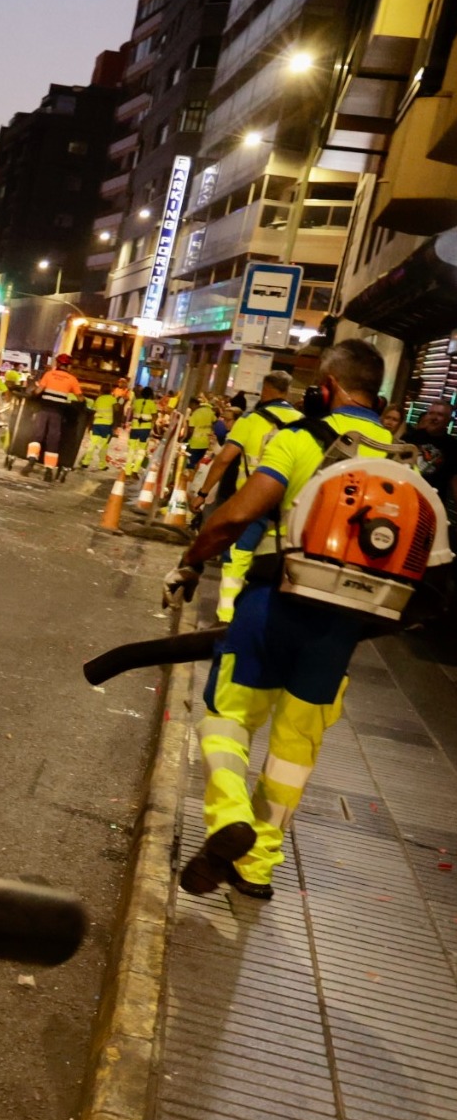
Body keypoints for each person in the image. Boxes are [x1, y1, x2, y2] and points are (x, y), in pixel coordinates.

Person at [167, 340, 396, 902]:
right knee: (295, 751)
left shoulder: (300, 438)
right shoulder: (406, 462)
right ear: (380, 396)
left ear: (328, 388)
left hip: (275, 608)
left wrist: (192, 563)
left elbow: (237, 515)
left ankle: (229, 819)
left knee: (226, 718)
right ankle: (259, 868)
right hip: (340, 632)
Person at [191, 371, 301, 623]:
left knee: (237, 560)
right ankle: (259, 618)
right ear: (287, 391)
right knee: (272, 565)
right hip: (284, 509)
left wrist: (203, 493)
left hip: (250, 504)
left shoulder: (251, 420)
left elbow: (224, 459)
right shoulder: (302, 423)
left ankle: (226, 616)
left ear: (265, 390)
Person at [25, 355, 82, 463]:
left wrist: (31, 394)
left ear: (58, 364)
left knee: (38, 434)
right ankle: (49, 469)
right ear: (68, 366)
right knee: (53, 438)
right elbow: (80, 398)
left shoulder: (49, 374)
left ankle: (32, 458)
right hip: (58, 413)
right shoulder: (72, 379)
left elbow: (37, 391)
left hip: (44, 410)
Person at [403, 400, 456, 501]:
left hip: (432, 503)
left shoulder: (453, 446)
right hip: (405, 494)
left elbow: (455, 481)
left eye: (440, 414)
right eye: (431, 413)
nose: (434, 418)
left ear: (448, 420)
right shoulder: (410, 438)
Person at [83, 379, 126, 471]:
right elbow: (117, 409)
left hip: (97, 424)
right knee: (104, 445)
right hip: (106, 425)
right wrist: (120, 402)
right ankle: (102, 465)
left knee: (92, 444)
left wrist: (90, 425)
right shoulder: (112, 399)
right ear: (110, 390)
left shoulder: (98, 399)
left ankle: (85, 462)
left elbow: (93, 412)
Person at [182, 396, 218, 486]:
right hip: (205, 443)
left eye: (190, 406)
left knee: (189, 465)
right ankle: (193, 483)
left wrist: (185, 439)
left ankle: (186, 485)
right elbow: (215, 421)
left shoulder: (195, 414)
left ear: (193, 404)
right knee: (197, 465)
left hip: (194, 443)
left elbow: (191, 430)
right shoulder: (209, 411)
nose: (190, 408)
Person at [124, 390, 161, 476]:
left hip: (135, 427)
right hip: (145, 429)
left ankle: (127, 470)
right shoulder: (152, 404)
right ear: (151, 395)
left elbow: (131, 412)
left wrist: (127, 422)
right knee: (141, 450)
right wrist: (152, 424)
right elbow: (155, 416)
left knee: (131, 449)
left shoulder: (136, 402)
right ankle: (135, 471)